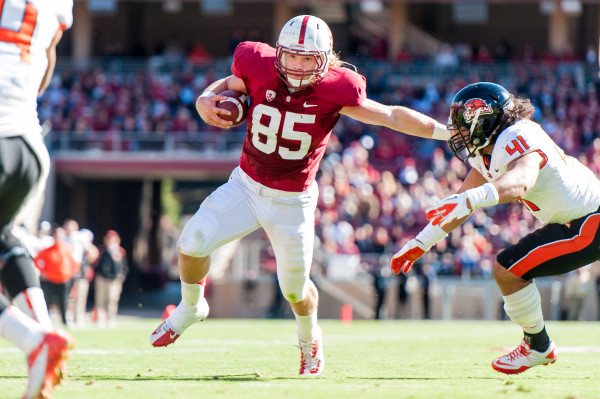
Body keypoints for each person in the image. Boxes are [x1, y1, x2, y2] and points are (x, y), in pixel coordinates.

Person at [150, 14, 450, 376]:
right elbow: (227, 84)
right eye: (291, 56)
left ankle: (309, 339)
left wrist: (445, 134)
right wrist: (204, 99)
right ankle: (190, 307)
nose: (297, 65)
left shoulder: (338, 88)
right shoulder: (256, 64)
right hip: (245, 185)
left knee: (294, 289)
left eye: (307, 59)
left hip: (292, 200)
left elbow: (391, 116)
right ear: (279, 52)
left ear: (324, 59)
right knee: (191, 242)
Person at [390, 81, 600, 374]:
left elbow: (521, 181)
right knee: (508, 269)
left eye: (464, 126)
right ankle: (538, 345)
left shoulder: (519, 135)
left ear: (486, 122)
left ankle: (538, 346)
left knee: (508, 269)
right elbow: (461, 204)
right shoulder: (486, 149)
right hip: (574, 220)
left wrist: (473, 199)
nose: (459, 134)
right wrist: (422, 242)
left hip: (589, 222)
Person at [0, 0, 74, 397]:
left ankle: (35, 342)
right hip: (29, 142)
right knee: (3, 237)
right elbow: (47, 57)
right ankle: (46, 335)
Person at [34, 225, 80, 326]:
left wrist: (72, 272)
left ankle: (65, 321)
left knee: (64, 301)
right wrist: (42, 271)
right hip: (51, 279)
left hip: (64, 279)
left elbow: (74, 263)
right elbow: (37, 259)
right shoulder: (48, 250)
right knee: (48, 300)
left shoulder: (68, 248)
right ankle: (46, 321)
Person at [94, 229, 128, 328]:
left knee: (112, 299)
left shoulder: (120, 252)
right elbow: (97, 263)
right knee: (100, 299)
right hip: (102, 278)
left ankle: (111, 318)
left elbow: (123, 266)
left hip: (115, 279)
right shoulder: (101, 250)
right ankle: (100, 318)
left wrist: (121, 276)